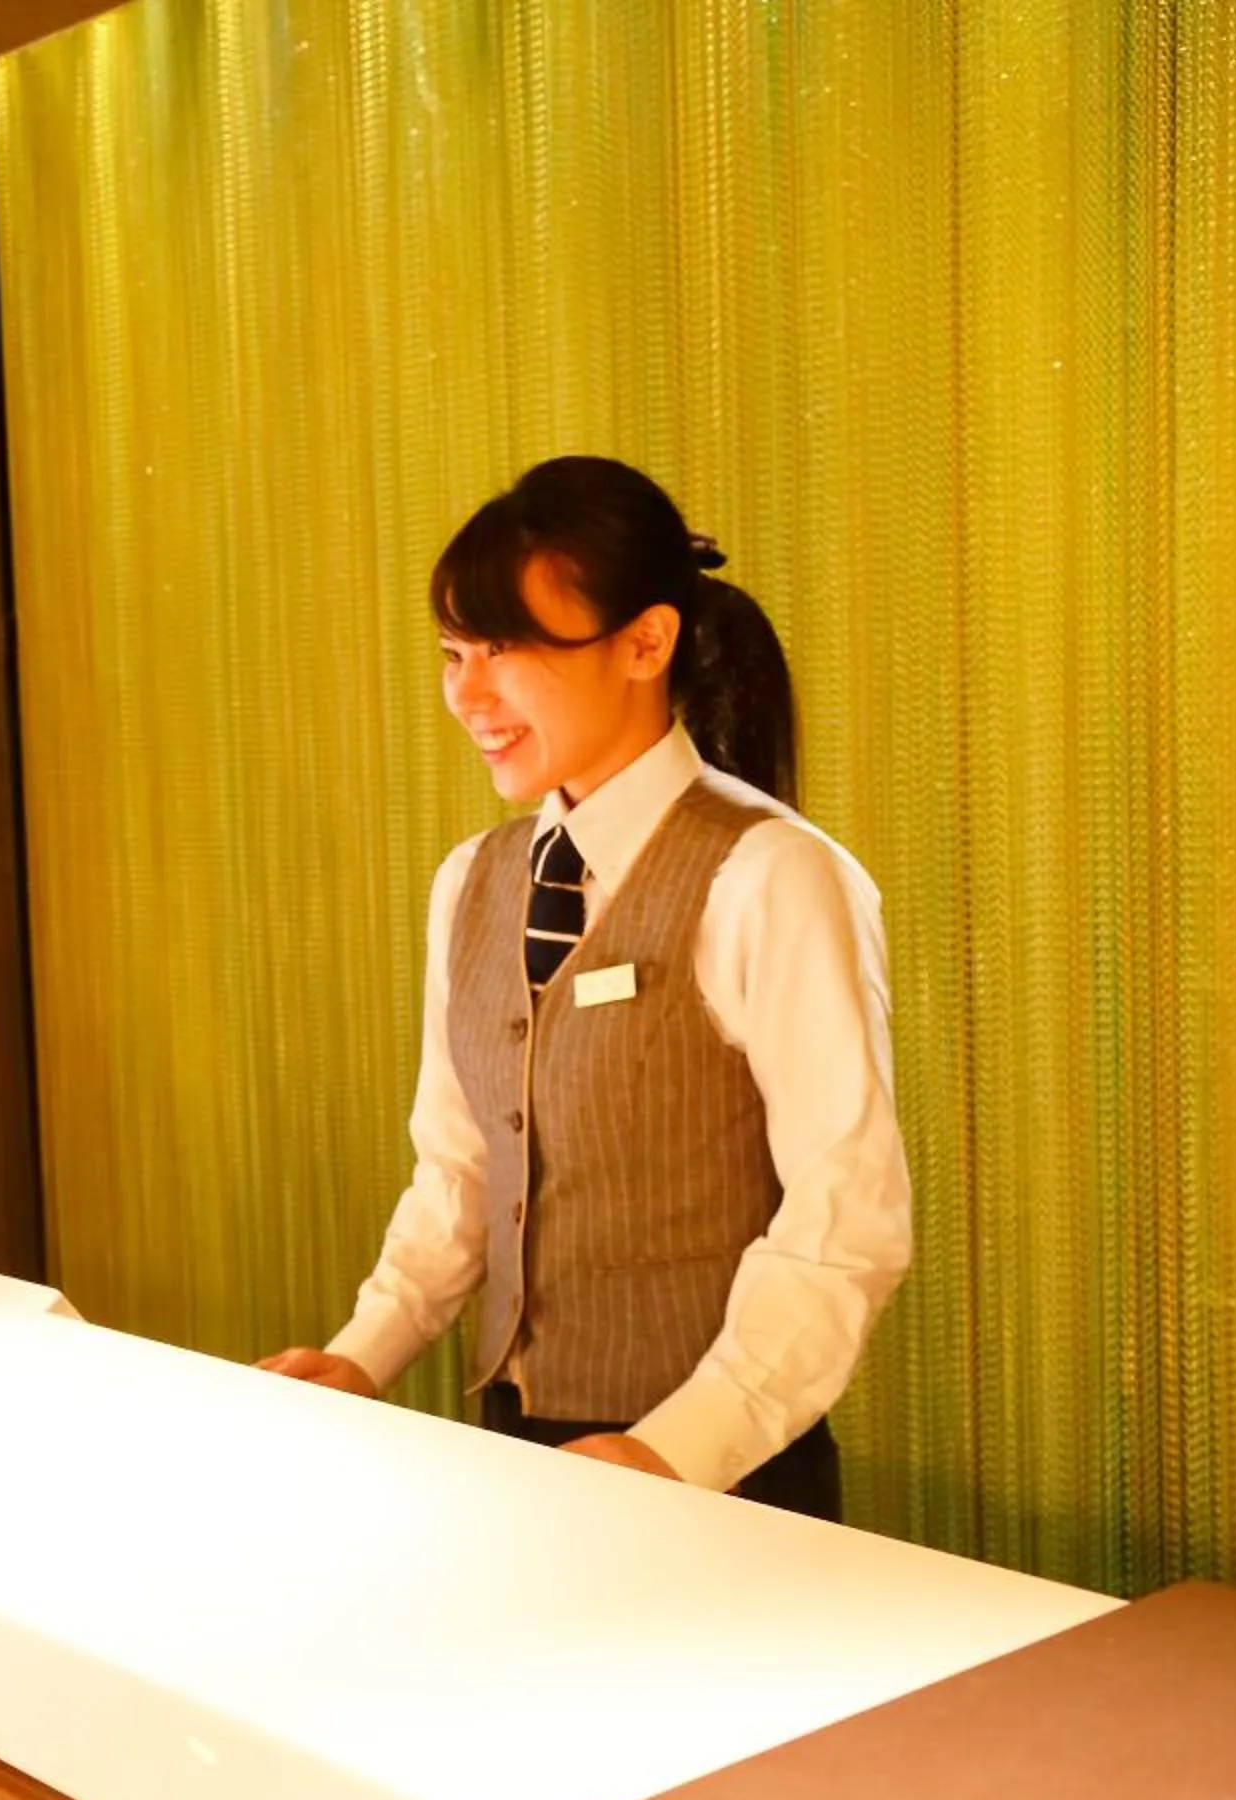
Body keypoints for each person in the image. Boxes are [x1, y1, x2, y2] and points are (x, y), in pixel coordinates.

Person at [258, 457, 910, 1520]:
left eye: (508, 650)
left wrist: (675, 1447)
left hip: (721, 1478)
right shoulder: (473, 878)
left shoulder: (774, 875)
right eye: (453, 653)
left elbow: (849, 1219)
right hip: (519, 1457)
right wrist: (363, 1355)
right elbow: (462, 1171)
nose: (469, 693)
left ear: (646, 642)